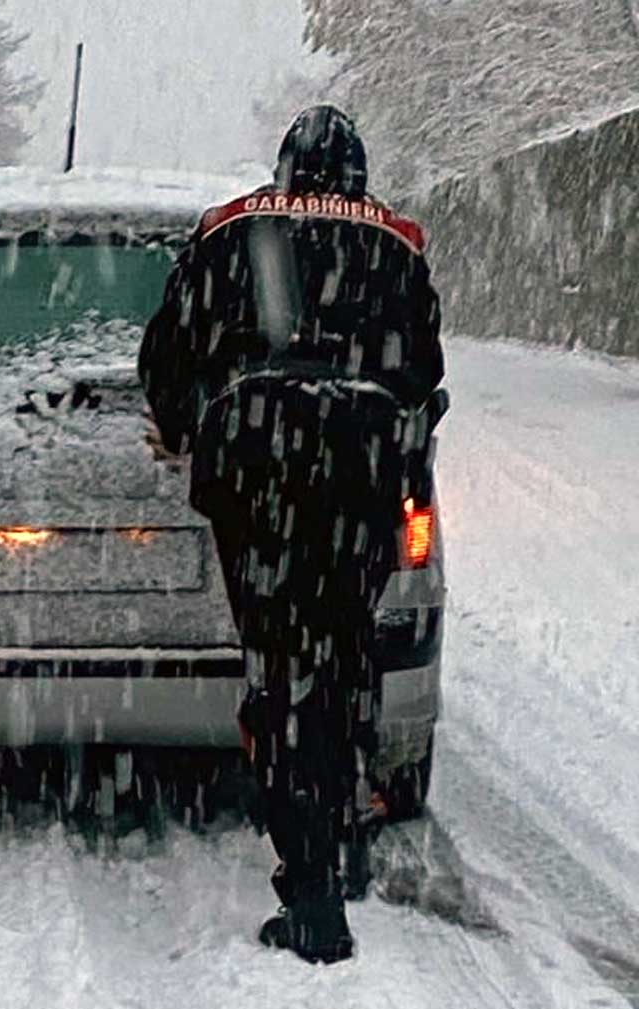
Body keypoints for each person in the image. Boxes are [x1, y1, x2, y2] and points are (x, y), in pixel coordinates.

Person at [139, 106, 445, 964]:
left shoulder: (228, 229)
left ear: (284, 169)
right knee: (344, 656)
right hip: (362, 470)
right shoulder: (395, 240)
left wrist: (186, 424)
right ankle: (341, 827)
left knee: (281, 667)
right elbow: (424, 369)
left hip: (257, 464)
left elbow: (168, 353)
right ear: (356, 173)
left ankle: (310, 889)